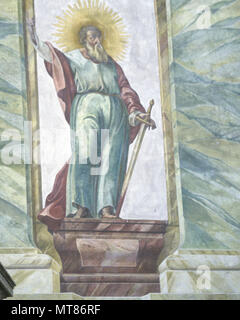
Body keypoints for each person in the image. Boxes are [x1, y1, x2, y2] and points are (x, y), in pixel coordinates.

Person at [28, 21, 156, 227]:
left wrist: (135, 113)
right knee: (86, 153)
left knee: (112, 159)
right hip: (87, 105)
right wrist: (35, 39)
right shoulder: (74, 57)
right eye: (92, 37)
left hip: (116, 110)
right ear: (84, 40)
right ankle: (80, 206)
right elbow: (53, 58)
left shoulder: (110, 63)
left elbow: (125, 89)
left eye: (98, 36)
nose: (96, 40)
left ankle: (107, 208)